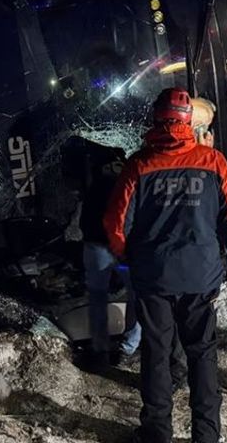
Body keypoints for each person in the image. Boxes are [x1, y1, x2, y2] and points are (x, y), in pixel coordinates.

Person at [105, 88, 227, 443]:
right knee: (201, 354)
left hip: (154, 278)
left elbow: (115, 224)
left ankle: (157, 433)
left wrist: (129, 258)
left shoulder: (139, 165)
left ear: (156, 119)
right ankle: (206, 435)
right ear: (189, 122)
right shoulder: (213, 162)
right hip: (201, 277)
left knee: (156, 354)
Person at [64, 136, 140, 368]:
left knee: (98, 297)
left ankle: (100, 350)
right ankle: (128, 347)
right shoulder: (128, 176)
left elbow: (87, 215)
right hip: (124, 249)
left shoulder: (95, 179)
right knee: (136, 296)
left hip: (98, 247)